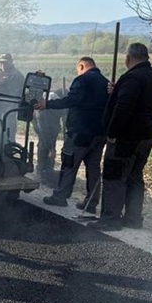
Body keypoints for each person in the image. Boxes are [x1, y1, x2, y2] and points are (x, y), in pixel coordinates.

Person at [89, 42, 152, 230]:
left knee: (114, 176)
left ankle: (110, 219)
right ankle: (133, 219)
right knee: (135, 176)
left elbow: (124, 108)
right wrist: (117, 92)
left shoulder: (132, 78)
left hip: (127, 136)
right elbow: (140, 102)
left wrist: (112, 133)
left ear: (128, 58)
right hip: (147, 135)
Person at [37, 57, 109, 210]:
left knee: (69, 164)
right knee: (93, 168)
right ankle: (91, 203)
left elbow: (71, 100)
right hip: (100, 133)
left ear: (82, 66)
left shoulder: (82, 80)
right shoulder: (106, 82)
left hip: (80, 132)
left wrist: (47, 104)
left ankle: (60, 196)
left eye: (78, 69)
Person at [0, 53, 24, 150]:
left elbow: (19, 94)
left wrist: (11, 108)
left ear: (11, 62)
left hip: (7, 112)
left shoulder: (16, 75)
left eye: (5, 62)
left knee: (7, 137)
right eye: (1, 62)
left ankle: (8, 157)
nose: (3, 64)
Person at [33, 87, 67, 187]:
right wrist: (52, 148)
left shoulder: (54, 101)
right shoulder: (51, 106)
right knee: (45, 144)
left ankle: (46, 171)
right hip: (43, 121)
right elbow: (45, 130)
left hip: (44, 121)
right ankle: (42, 172)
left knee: (44, 143)